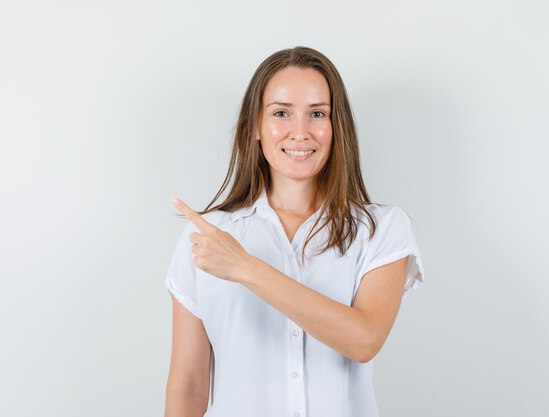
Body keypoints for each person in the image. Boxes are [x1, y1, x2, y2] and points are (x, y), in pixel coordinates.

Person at [163, 46, 425, 417]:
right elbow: (188, 384)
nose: (300, 132)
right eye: (282, 113)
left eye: (317, 113)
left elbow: (364, 339)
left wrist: (245, 268)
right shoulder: (206, 238)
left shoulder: (380, 230)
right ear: (255, 126)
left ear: (337, 128)